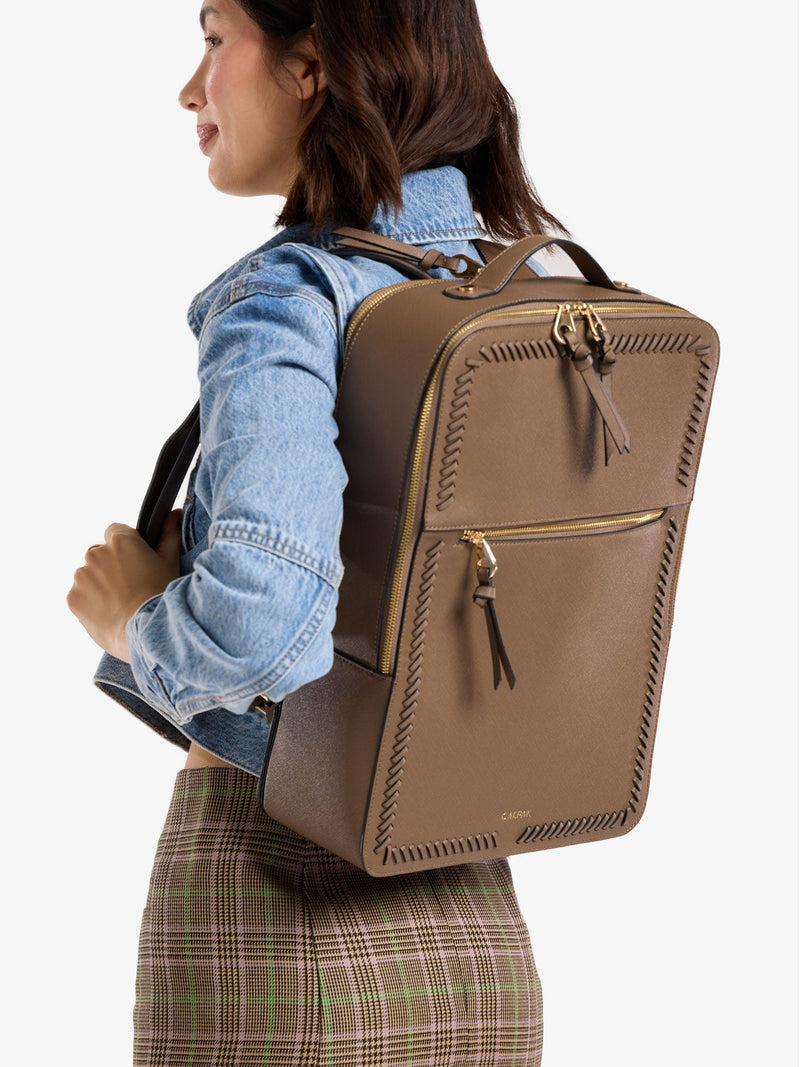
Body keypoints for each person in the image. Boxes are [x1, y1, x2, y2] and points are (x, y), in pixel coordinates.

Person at [68, 1, 565, 1063]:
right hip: (475, 918)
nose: (190, 89)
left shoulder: (290, 295)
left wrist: (134, 618)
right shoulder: (521, 289)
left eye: (213, 37)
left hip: (272, 909)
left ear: (310, 68)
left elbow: (258, 619)